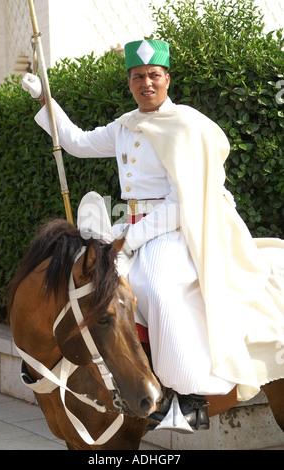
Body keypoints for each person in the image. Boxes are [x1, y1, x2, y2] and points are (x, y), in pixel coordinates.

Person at [22, 39, 284, 432]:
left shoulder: (188, 125)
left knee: (156, 288)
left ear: (167, 79)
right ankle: (57, 365)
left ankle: (190, 397)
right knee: (93, 288)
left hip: (177, 227)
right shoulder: (125, 126)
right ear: (129, 82)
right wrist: (45, 98)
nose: (146, 83)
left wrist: (135, 238)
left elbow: (183, 202)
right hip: (129, 227)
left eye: (154, 75)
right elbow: (75, 142)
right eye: (138, 76)